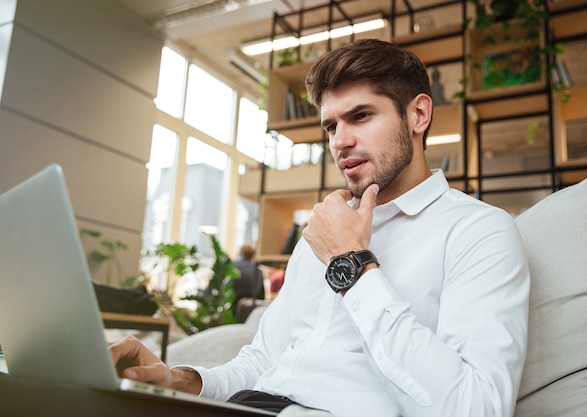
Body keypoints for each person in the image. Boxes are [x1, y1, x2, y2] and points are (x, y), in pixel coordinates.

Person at [110, 39, 530, 417]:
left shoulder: (478, 231)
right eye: (331, 125)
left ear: (418, 114)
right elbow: (264, 361)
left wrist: (351, 264)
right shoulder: (321, 232)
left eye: (360, 116)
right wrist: (177, 381)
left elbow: (476, 408)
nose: (339, 141)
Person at [230, 243, 265, 318]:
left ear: (240, 254)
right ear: (253, 256)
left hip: (230, 312)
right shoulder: (258, 271)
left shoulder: (232, 267)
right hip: (250, 313)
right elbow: (262, 296)